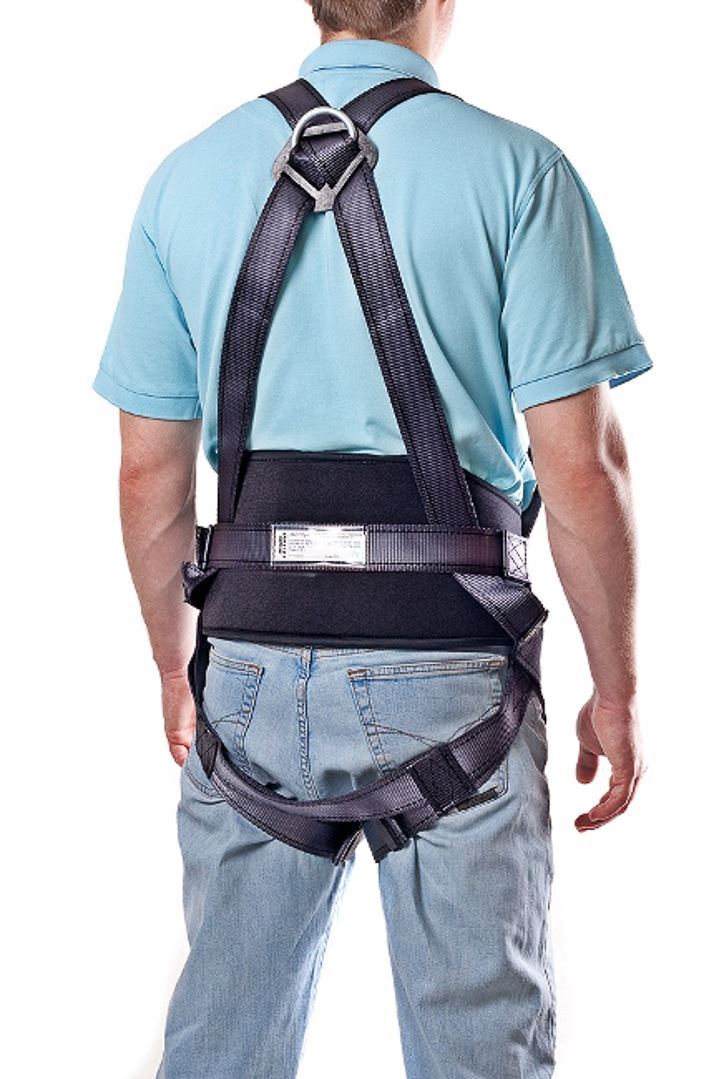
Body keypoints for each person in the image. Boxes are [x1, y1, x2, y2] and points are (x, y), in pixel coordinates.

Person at [93, 1, 650, 1075]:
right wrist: (616, 687)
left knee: (222, 1042)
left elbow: (146, 472)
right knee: (480, 1048)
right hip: (451, 671)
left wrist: (175, 660)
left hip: (248, 669)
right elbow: (582, 467)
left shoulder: (186, 179)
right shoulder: (518, 173)